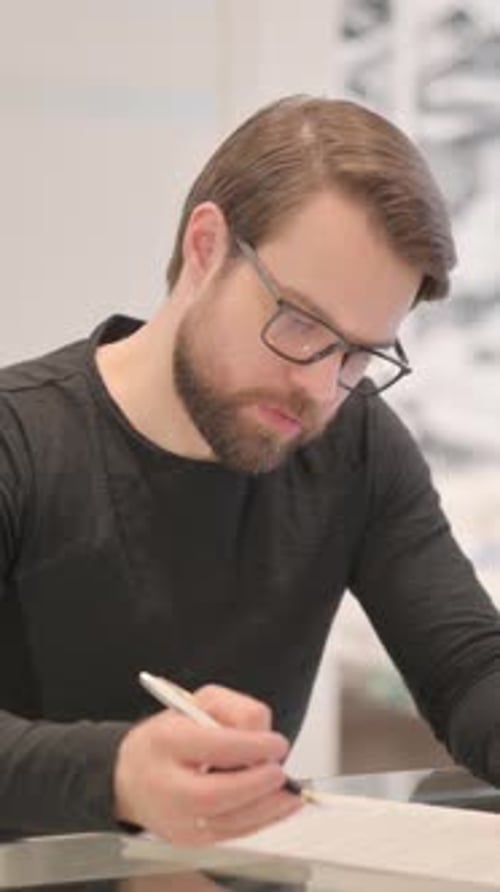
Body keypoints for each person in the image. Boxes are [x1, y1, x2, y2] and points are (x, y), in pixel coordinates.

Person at [1, 95, 499, 846]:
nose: (319, 386)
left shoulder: (356, 445)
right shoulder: (21, 438)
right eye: (299, 322)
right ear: (206, 246)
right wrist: (117, 775)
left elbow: (467, 671)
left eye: (360, 353)